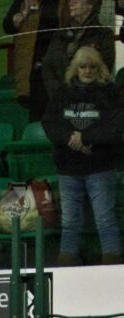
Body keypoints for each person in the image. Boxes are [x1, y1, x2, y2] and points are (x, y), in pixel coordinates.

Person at [43, 45, 122, 266]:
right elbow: (49, 123)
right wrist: (73, 139)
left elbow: (116, 128)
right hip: (69, 167)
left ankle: (112, 263)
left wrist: (85, 138)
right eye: (83, 66)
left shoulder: (109, 93)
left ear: (99, 68)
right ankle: (67, 263)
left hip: (101, 166)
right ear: (75, 68)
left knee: (105, 218)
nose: (87, 71)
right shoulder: (62, 93)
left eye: (92, 67)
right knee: (69, 221)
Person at [3, 0, 64, 121]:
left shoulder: (65, 3)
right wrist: (23, 14)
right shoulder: (24, 2)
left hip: (60, 68)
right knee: (37, 114)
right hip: (34, 72)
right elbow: (8, 25)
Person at [42, 0, 115, 97]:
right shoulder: (59, 35)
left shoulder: (103, 34)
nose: (71, 3)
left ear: (90, 5)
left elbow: (104, 68)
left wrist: (81, 95)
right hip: (60, 100)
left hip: (91, 100)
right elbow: (47, 67)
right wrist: (59, 95)